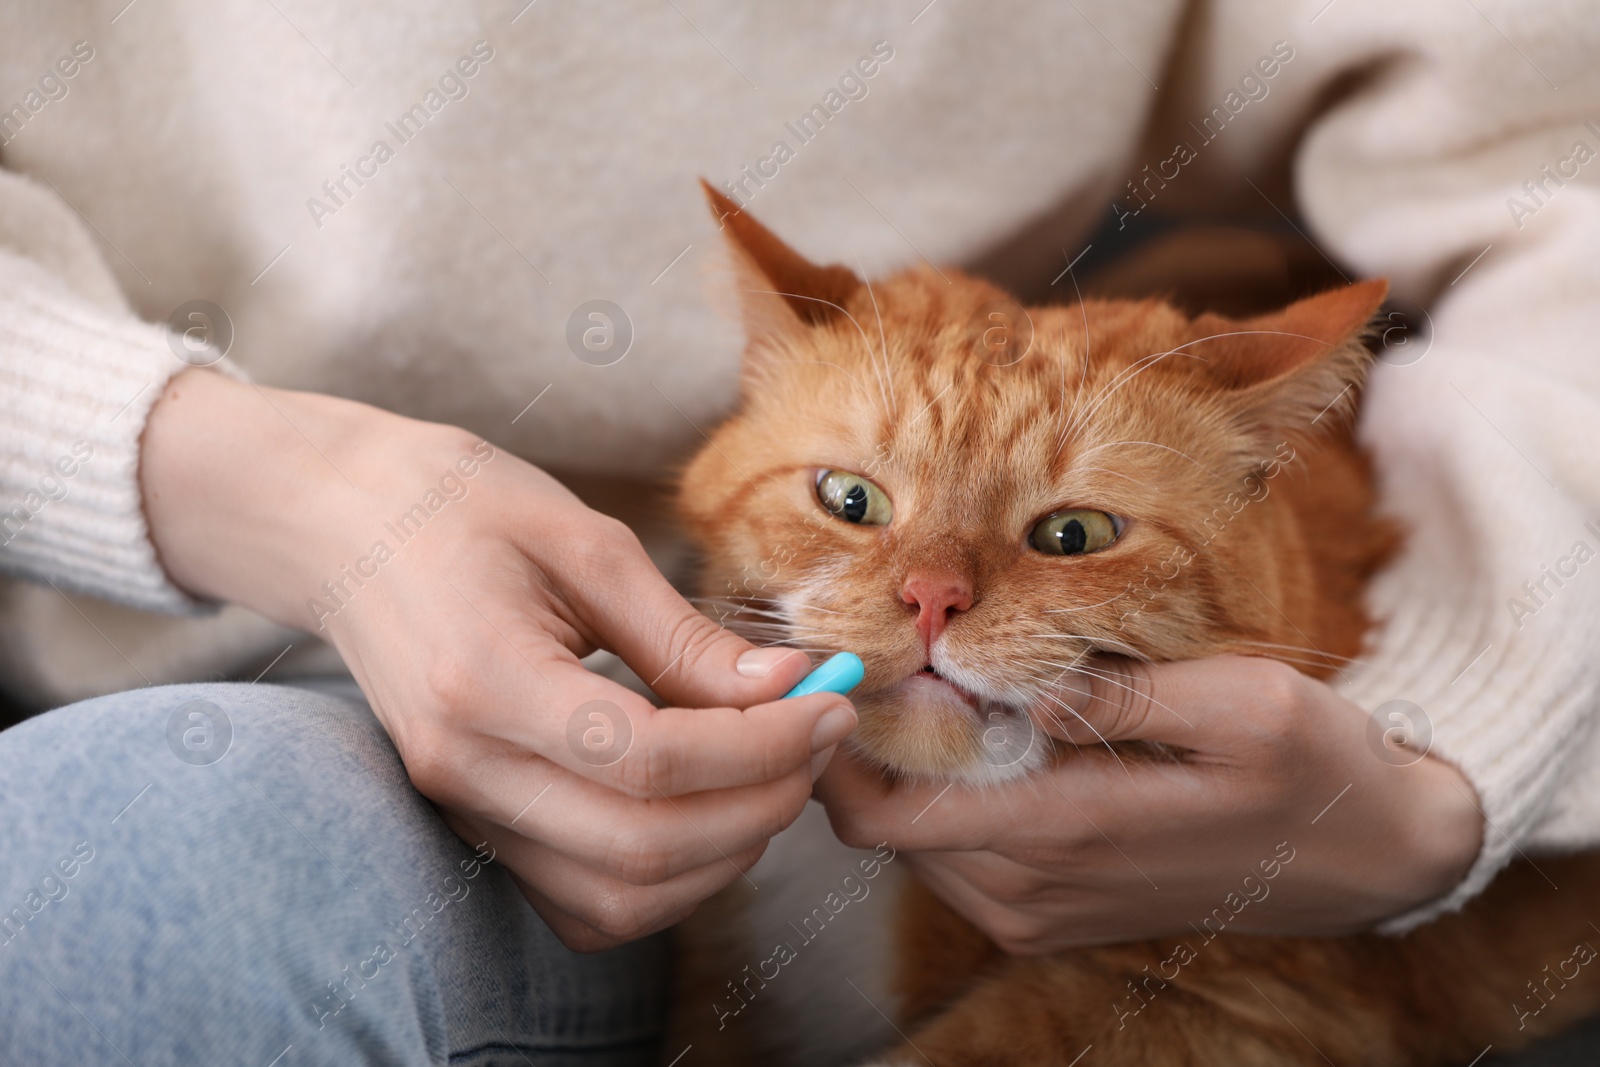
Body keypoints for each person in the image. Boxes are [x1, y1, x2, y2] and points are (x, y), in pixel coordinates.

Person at [1, 2, 1596, 1063]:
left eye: (1073, 533)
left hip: (1046, 769)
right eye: (854, 504)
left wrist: (1448, 743)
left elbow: (1563, 177)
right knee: (118, 851)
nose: (940, 594)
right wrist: (271, 489)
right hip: (223, 639)